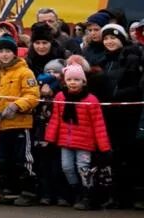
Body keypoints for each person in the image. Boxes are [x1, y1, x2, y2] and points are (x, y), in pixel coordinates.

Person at [0, 35, 39, 204]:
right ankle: (9, 190)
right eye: (2, 51)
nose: (5, 55)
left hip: (20, 123)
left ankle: (29, 191)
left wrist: (16, 106)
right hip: (0, 124)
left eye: (8, 51)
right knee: (3, 158)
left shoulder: (25, 72)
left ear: (15, 53)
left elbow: (33, 96)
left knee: (23, 158)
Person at [45, 63, 111, 210]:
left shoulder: (91, 99)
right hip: (65, 140)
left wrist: (104, 147)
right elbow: (55, 119)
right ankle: (75, 191)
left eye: (76, 79)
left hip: (84, 142)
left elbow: (98, 125)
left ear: (83, 81)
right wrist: (49, 139)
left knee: (83, 168)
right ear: (65, 81)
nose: (73, 82)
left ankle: (86, 193)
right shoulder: (60, 97)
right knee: (67, 167)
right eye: (70, 80)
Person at [95, 23, 141, 208]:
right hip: (106, 115)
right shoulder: (102, 61)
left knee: (127, 155)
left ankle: (128, 196)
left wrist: (116, 96)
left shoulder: (131, 58)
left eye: (113, 38)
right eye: (106, 38)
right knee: (110, 156)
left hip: (127, 115)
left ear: (121, 39)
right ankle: (112, 195)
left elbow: (136, 86)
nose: (109, 42)